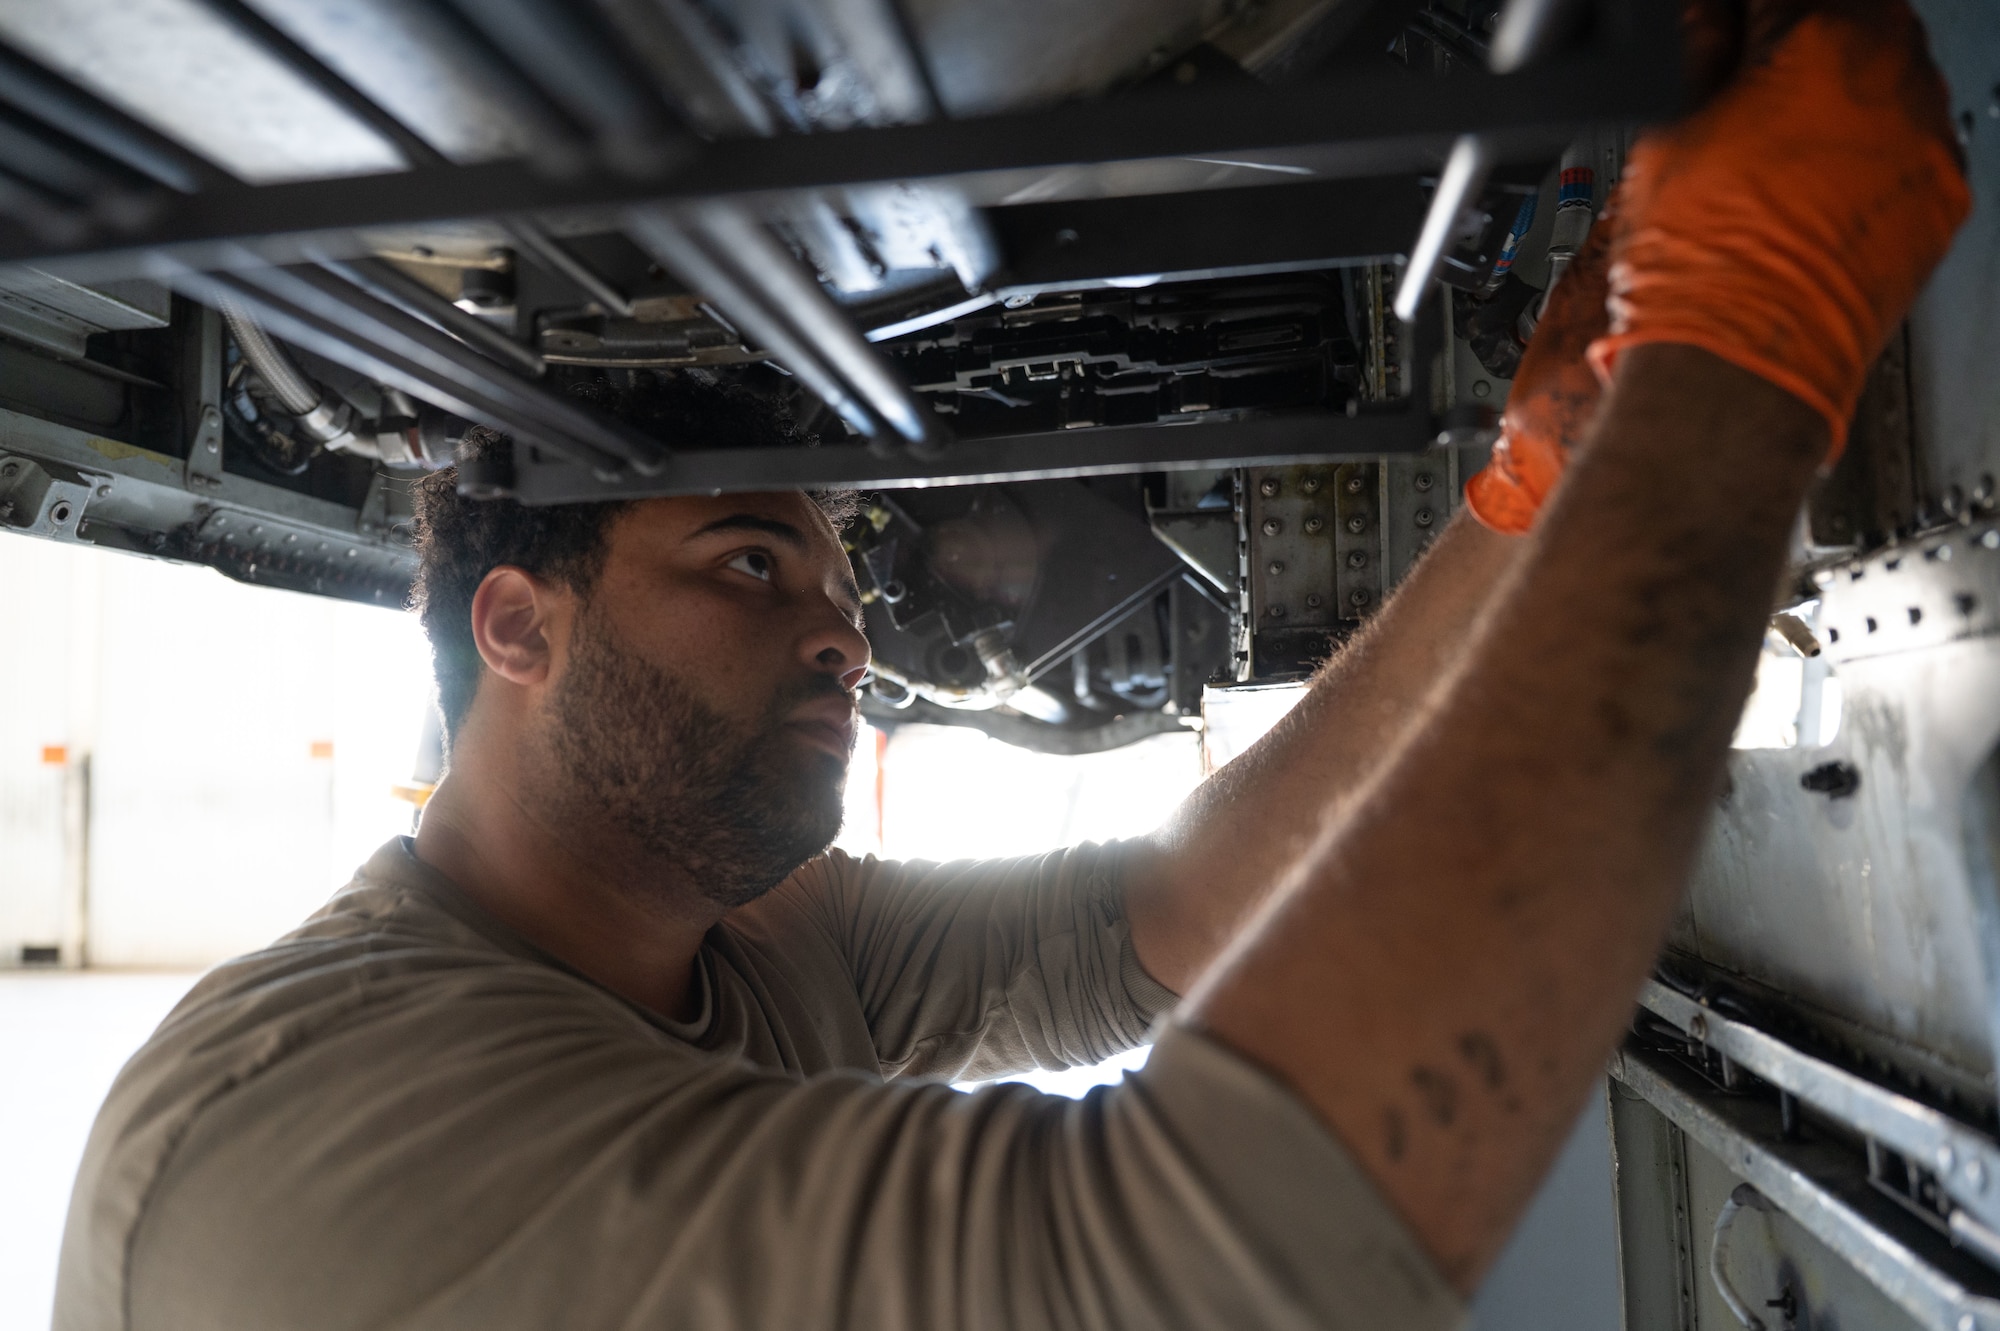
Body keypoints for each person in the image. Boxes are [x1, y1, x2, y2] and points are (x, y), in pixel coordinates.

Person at [55, 3, 1969, 1327]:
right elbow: (1168, 1271)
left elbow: (1175, 910)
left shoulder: (749, 942)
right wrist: (1746, 340)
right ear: (516, 624)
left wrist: (1528, 496)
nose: (842, 628)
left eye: (833, 572)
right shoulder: (296, 1132)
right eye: (751, 561)